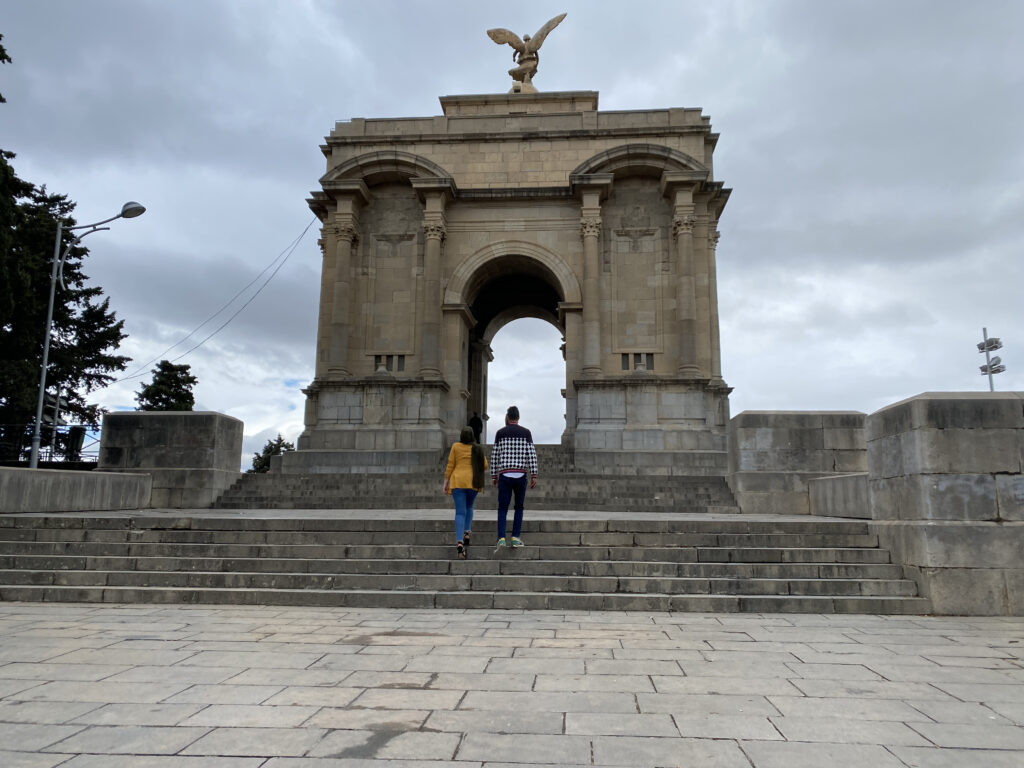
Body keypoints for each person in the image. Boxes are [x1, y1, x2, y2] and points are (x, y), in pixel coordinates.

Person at [490, 405, 538, 548]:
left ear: (508, 416)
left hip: (505, 475)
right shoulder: (526, 433)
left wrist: (494, 475)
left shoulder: (500, 433)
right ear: (518, 417)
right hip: (520, 475)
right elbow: (532, 454)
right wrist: (534, 474)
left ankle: (501, 538)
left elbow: (494, 456)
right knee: (519, 507)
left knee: (502, 508)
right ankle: (515, 537)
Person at [443, 425, 487, 560]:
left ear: (461, 436)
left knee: (460, 512)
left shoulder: (456, 447)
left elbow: (450, 464)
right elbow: (485, 465)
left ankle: (460, 543)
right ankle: (467, 532)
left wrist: (446, 482)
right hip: (472, 482)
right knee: (469, 507)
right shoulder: (477, 448)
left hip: (458, 481)